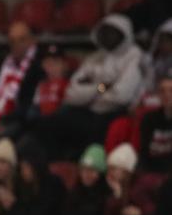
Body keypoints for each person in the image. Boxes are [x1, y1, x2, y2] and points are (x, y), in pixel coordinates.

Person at [40, 14, 144, 159]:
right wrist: (100, 87)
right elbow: (71, 93)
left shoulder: (134, 56)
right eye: (104, 31)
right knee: (52, 121)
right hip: (88, 109)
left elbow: (121, 95)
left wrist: (90, 90)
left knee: (95, 130)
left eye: (112, 32)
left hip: (115, 112)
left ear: (123, 33)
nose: (107, 36)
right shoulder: (95, 57)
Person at [0, 22, 44, 139]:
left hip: (18, 122)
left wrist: (3, 122)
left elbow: (28, 105)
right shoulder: (3, 63)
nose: (16, 44)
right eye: (12, 41)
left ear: (32, 41)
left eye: (21, 40)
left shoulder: (38, 66)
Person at [139, 72, 172, 174]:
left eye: (171, 90)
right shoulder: (149, 119)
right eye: (162, 91)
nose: (167, 94)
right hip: (152, 173)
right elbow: (144, 152)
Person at [32, 43, 70, 119]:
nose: (52, 67)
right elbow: (36, 107)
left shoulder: (69, 85)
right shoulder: (41, 85)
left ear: (65, 65)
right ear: (43, 65)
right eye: (48, 63)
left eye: (56, 62)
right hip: (41, 123)